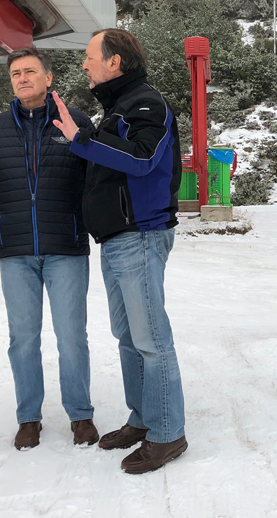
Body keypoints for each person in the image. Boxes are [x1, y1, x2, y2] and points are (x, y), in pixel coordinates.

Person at [50, 28, 186, 474]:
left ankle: (168, 433)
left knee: (151, 342)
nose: (85, 64)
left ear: (115, 63)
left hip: (141, 235)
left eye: (91, 57)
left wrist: (83, 139)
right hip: (117, 239)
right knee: (129, 340)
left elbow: (144, 158)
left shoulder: (147, 103)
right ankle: (143, 419)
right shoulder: (118, 109)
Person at [0, 47, 99, 450]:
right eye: (16, 73)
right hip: (15, 250)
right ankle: (28, 417)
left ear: (49, 79)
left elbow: (90, 179)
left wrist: (70, 220)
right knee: (23, 338)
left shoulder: (75, 122)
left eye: (30, 71)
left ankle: (80, 415)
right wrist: (11, 219)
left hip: (65, 246)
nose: (23, 78)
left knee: (71, 335)